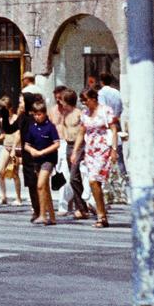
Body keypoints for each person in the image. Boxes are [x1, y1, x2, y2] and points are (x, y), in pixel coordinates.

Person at [77, 88, 119, 228]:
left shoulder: (105, 110)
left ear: (93, 99)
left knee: (94, 180)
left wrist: (114, 149)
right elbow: (81, 132)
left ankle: (101, 215)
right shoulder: (85, 114)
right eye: (82, 101)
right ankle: (102, 214)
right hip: (90, 151)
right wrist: (75, 151)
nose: (84, 103)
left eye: (85, 100)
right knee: (93, 182)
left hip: (103, 150)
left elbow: (113, 130)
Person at [53, 87, 91, 219]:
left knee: (74, 177)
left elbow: (85, 130)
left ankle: (83, 207)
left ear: (67, 101)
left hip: (78, 146)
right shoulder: (64, 114)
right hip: (68, 145)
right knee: (74, 177)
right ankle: (79, 207)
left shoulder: (79, 114)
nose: (60, 103)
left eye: (62, 100)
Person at [22, 98, 61, 225]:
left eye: (40, 114)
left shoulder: (50, 127)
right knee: (45, 188)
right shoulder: (32, 127)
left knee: (40, 185)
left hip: (48, 159)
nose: (37, 117)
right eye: (35, 114)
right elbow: (26, 144)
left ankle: (43, 215)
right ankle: (52, 217)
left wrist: (43, 152)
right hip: (37, 160)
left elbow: (56, 144)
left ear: (45, 113)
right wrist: (31, 150)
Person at [0, 95, 23, 206]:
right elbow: (5, 133)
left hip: (16, 148)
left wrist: (14, 149)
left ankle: (18, 198)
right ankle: (3, 196)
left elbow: (18, 134)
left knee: (15, 173)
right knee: (0, 171)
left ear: (10, 108)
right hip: (6, 146)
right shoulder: (2, 120)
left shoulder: (17, 118)